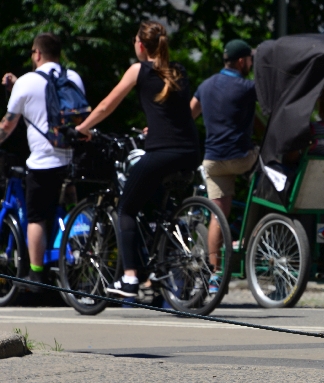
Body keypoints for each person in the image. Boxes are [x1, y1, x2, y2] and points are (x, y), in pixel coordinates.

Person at [75, 21, 199, 298]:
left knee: (126, 209)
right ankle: (158, 266)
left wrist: (82, 128)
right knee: (155, 207)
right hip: (190, 152)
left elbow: (107, 105)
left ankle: (130, 278)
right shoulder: (179, 70)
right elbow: (176, 112)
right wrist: (153, 129)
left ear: (141, 45)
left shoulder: (139, 70)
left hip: (162, 153)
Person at [1, 33, 85, 291]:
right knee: (70, 208)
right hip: (72, 160)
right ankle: (79, 256)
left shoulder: (26, 82)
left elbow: (7, 126)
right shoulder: (73, 78)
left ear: (37, 53)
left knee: (36, 218)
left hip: (42, 163)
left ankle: (36, 274)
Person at [190, 39, 258, 293]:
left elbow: (188, 116)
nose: (250, 64)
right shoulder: (248, 87)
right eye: (249, 60)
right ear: (241, 61)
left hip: (213, 161)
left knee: (217, 216)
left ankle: (215, 275)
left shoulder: (205, 86)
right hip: (241, 159)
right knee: (267, 157)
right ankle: (262, 222)